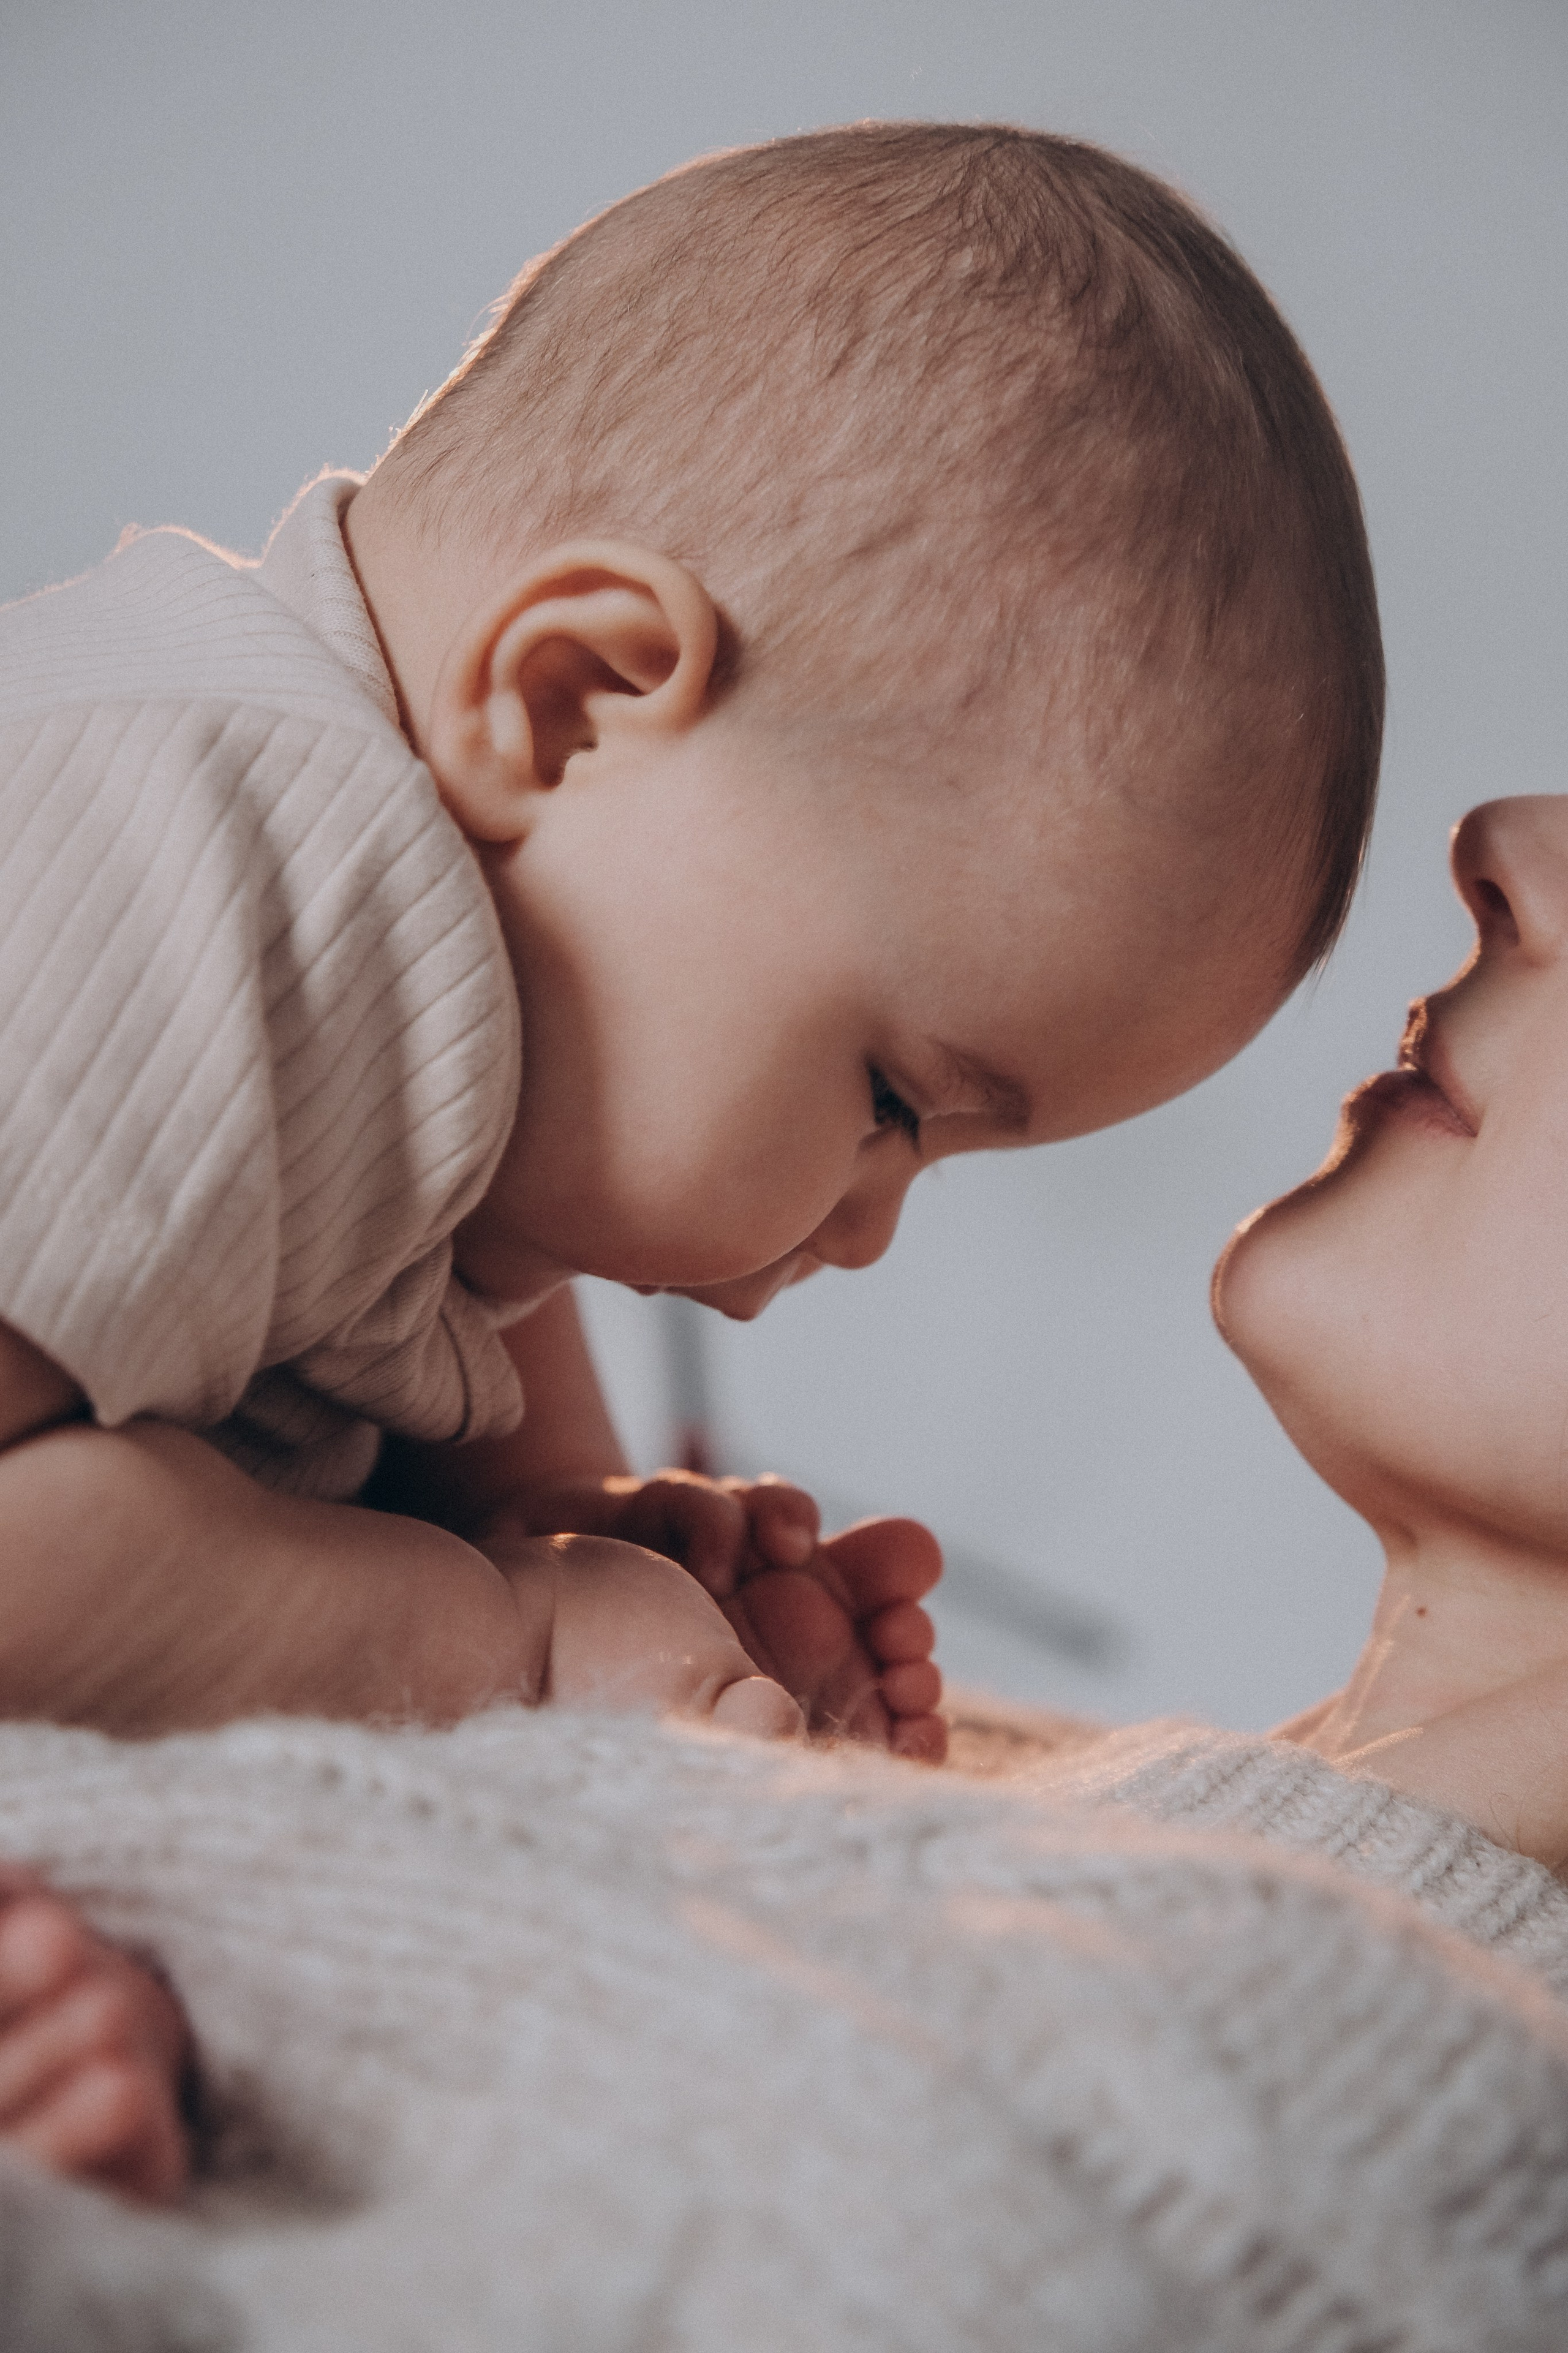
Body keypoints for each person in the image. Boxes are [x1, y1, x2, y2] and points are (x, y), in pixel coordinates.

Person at [0, 125, 1380, 1768]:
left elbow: (430, 1220)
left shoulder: (423, 997)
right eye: (893, 1098)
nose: (868, 1232)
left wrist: (541, 1512)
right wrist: (511, 1636)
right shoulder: (210, 852)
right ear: (574, 705)